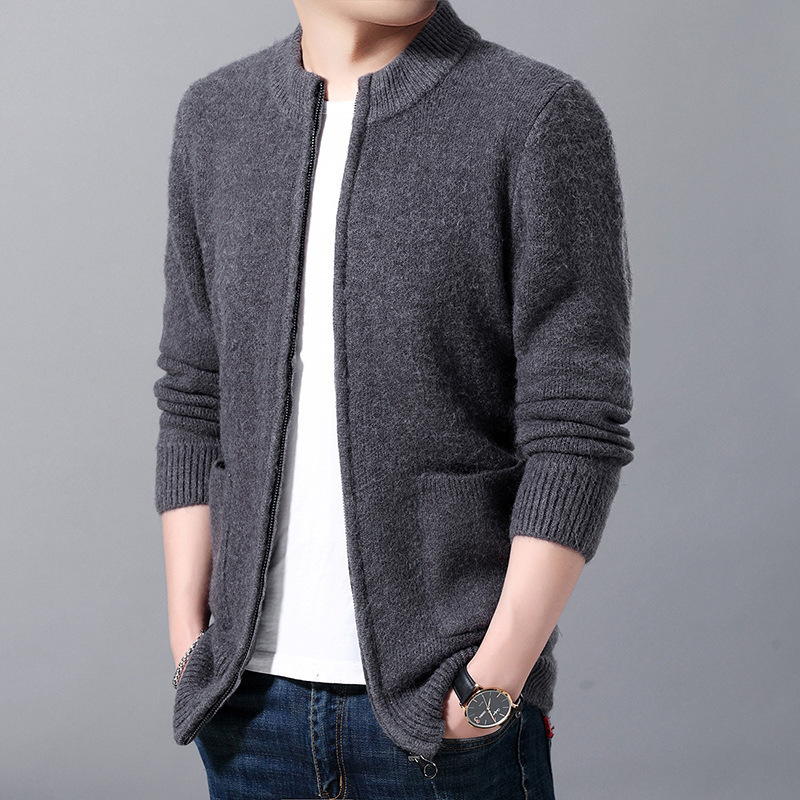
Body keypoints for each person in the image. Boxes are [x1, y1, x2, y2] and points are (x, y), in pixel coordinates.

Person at [154, 0, 635, 797]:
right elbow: (195, 395)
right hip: (246, 705)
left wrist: (493, 681)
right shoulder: (216, 118)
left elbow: (577, 422)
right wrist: (187, 637)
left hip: (445, 705)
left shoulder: (535, 115)